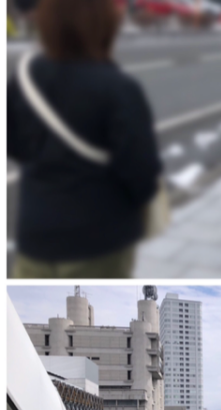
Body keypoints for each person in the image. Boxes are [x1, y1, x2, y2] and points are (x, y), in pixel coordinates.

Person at [8, 0, 161, 278]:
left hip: (35, 231)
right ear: (104, 24)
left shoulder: (24, 76)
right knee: (92, 306)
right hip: (101, 236)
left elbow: (13, 143)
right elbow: (141, 170)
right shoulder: (119, 87)